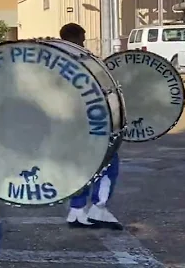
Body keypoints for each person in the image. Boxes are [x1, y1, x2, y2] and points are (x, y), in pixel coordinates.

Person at [61, 23, 123, 231]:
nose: (84, 41)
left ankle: (77, 210)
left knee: (82, 167)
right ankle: (98, 208)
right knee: (107, 163)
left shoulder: (55, 57)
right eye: (83, 37)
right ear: (76, 37)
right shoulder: (82, 58)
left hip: (68, 125)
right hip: (89, 123)